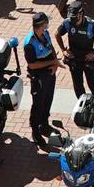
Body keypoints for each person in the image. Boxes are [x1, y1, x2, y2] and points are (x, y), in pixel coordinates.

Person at [58, 1, 94, 97]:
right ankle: (82, 104)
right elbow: (57, 34)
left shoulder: (91, 25)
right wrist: (63, 50)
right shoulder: (68, 22)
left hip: (87, 58)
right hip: (74, 58)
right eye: (71, 17)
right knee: (78, 86)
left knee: (93, 85)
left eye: (74, 17)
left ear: (81, 13)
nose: (72, 20)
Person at [24, 11, 60, 146]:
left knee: (48, 100)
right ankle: (35, 131)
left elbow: (51, 48)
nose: (47, 25)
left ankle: (44, 124)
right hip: (38, 77)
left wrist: (55, 63)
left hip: (49, 74)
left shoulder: (45, 34)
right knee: (38, 104)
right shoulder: (30, 44)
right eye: (46, 23)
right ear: (41, 25)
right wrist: (52, 63)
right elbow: (32, 65)